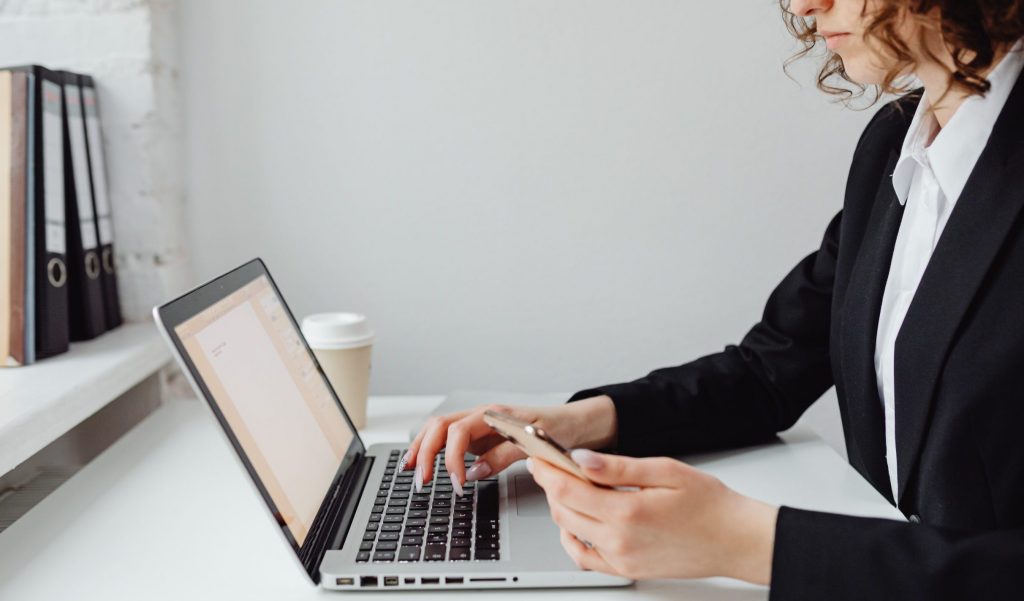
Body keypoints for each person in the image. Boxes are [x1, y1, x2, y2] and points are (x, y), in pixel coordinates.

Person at [406, 1, 1024, 598]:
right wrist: (575, 422)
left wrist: (750, 544)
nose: (807, 5)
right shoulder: (895, 145)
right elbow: (768, 370)